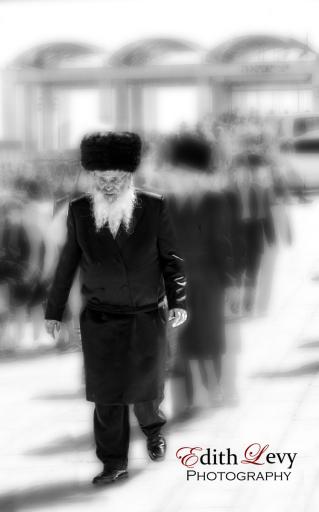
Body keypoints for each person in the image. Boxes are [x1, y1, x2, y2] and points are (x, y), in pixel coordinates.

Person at [44, 131, 187, 485]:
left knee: (145, 389)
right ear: (92, 178)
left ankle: (153, 429)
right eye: (101, 179)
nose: (108, 185)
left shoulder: (154, 206)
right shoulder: (79, 210)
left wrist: (178, 301)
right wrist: (53, 309)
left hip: (145, 314)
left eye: (116, 179)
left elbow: (171, 260)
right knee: (106, 395)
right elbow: (68, 263)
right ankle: (113, 462)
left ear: (129, 177)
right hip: (100, 318)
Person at [153, 132, 237, 413]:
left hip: (209, 281)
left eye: (183, 172)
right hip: (175, 285)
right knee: (180, 343)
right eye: (175, 171)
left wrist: (229, 284)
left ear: (197, 173)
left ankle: (217, 391)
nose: (177, 177)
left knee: (210, 339)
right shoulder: (165, 204)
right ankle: (186, 401)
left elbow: (222, 244)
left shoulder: (214, 201)